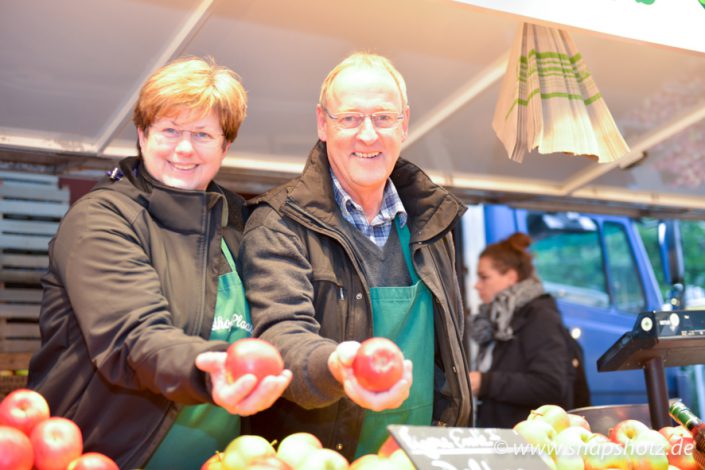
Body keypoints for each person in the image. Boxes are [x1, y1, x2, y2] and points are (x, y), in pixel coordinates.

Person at [27, 57, 292, 469]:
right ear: (142, 134)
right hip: (107, 458)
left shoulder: (241, 225)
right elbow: (135, 339)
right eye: (169, 130)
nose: (183, 148)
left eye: (203, 134)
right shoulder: (100, 221)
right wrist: (209, 372)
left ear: (225, 146)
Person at [240, 52, 473, 461]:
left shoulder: (435, 222)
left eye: (383, 118)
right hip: (324, 456)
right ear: (322, 124)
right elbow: (280, 335)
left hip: (419, 455)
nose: (368, 135)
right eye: (349, 118)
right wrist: (335, 365)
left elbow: (449, 350)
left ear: (405, 123)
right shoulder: (278, 223)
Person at [468, 232, 572, 428]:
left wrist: (486, 383)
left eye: (484, 277)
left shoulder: (540, 317)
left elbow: (550, 385)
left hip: (528, 444)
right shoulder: (499, 320)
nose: (476, 285)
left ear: (511, 277)